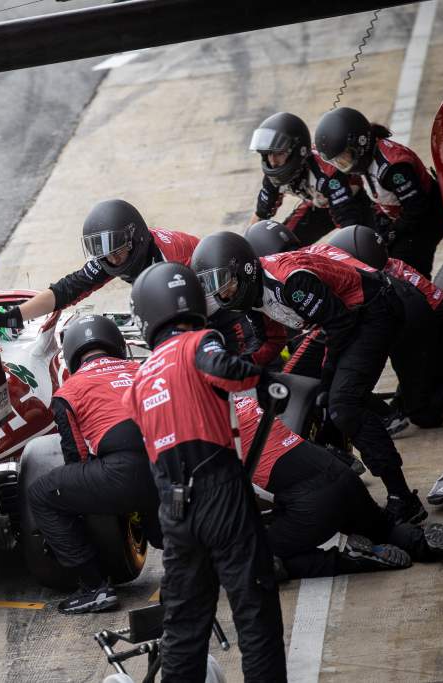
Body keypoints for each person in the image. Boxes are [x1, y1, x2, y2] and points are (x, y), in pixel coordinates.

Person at [191, 231, 427, 524]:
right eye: (210, 286)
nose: (220, 294)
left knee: (343, 404)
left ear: (245, 269)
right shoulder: (250, 293)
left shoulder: (290, 281)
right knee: (295, 387)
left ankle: (403, 498)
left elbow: (340, 325)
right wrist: (232, 368)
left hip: (371, 311)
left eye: (222, 281)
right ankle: (334, 460)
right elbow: (270, 342)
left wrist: (328, 380)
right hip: (337, 322)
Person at [124, 261, 286, 682]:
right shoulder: (199, 342)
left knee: (183, 624)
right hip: (220, 489)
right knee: (254, 610)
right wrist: (266, 381)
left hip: (174, 510)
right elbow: (222, 369)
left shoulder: (139, 381)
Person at [234, 395, 443, 579]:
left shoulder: (205, 426)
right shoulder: (239, 400)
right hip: (340, 475)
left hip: (311, 502)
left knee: (255, 558)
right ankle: (433, 542)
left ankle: (350, 558)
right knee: (384, 528)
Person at [27, 315, 161, 614]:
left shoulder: (69, 391)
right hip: (170, 464)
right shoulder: (144, 369)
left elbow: (77, 457)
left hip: (124, 473)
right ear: (117, 344)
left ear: (72, 354)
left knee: (41, 493)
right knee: (160, 523)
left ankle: (94, 588)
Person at [326, 225, 443, 428]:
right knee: (412, 391)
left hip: (442, 337)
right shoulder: (391, 266)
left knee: (422, 413)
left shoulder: (384, 290)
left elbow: (408, 350)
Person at [0, 199, 198, 329]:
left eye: (116, 252)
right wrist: (14, 316)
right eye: (104, 255)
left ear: (135, 240)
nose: (112, 260)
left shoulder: (172, 260)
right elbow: (69, 288)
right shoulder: (112, 255)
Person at [315, 106, 443, 278]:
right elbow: (380, 202)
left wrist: (392, 233)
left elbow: (417, 208)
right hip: (407, 216)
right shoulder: (367, 160)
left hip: (429, 215)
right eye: (337, 161)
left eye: (343, 157)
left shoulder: (393, 167)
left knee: (402, 270)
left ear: (361, 143)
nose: (342, 165)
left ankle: (428, 300)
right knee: (380, 259)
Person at [248, 111, 372, 245]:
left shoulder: (327, 173)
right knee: (280, 245)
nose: (272, 161)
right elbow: (261, 214)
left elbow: (348, 222)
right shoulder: (272, 176)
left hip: (353, 205)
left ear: (297, 151)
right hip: (317, 207)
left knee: (365, 244)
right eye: (267, 154)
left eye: (278, 153)